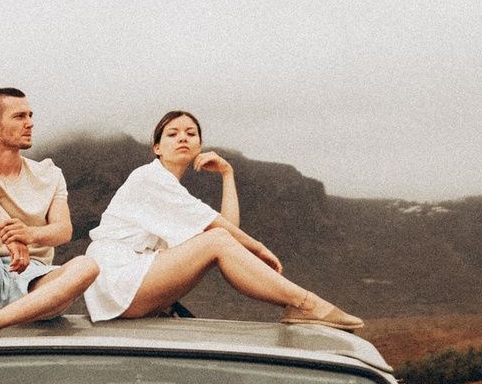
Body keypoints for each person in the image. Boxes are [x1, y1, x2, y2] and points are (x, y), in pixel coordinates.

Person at [82, 110, 364, 329]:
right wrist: (258, 247)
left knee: (217, 240)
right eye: (172, 134)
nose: (183, 138)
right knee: (216, 239)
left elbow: (227, 234)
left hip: (130, 281)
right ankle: (305, 303)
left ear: (200, 145)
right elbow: (221, 233)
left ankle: (301, 305)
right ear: (157, 148)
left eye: (191, 133)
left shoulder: (170, 189)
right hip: (117, 277)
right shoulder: (148, 177)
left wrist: (227, 174)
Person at [0, 88, 103, 340]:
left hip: (37, 285)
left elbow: (63, 230)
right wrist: (8, 229)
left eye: (30, 115)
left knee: (87, 266)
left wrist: (28, 234)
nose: (30, 123)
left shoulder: (49, 173)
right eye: (19, 117)